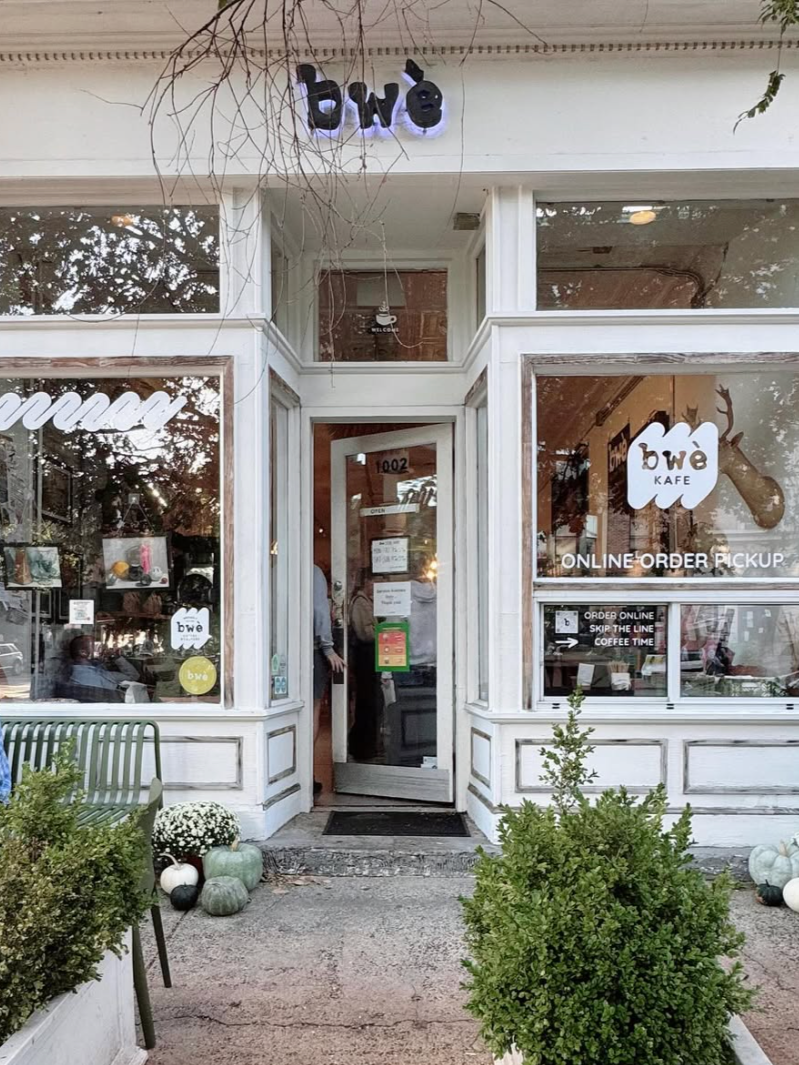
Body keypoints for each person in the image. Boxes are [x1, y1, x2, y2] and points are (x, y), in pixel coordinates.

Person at [313, 565, 345, 795]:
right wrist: (329, 648)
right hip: (311, 652)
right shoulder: (312, 572)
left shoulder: (272, 568)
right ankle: (305, 772)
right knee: (312, 711)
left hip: (279, 650)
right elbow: (320, 611)